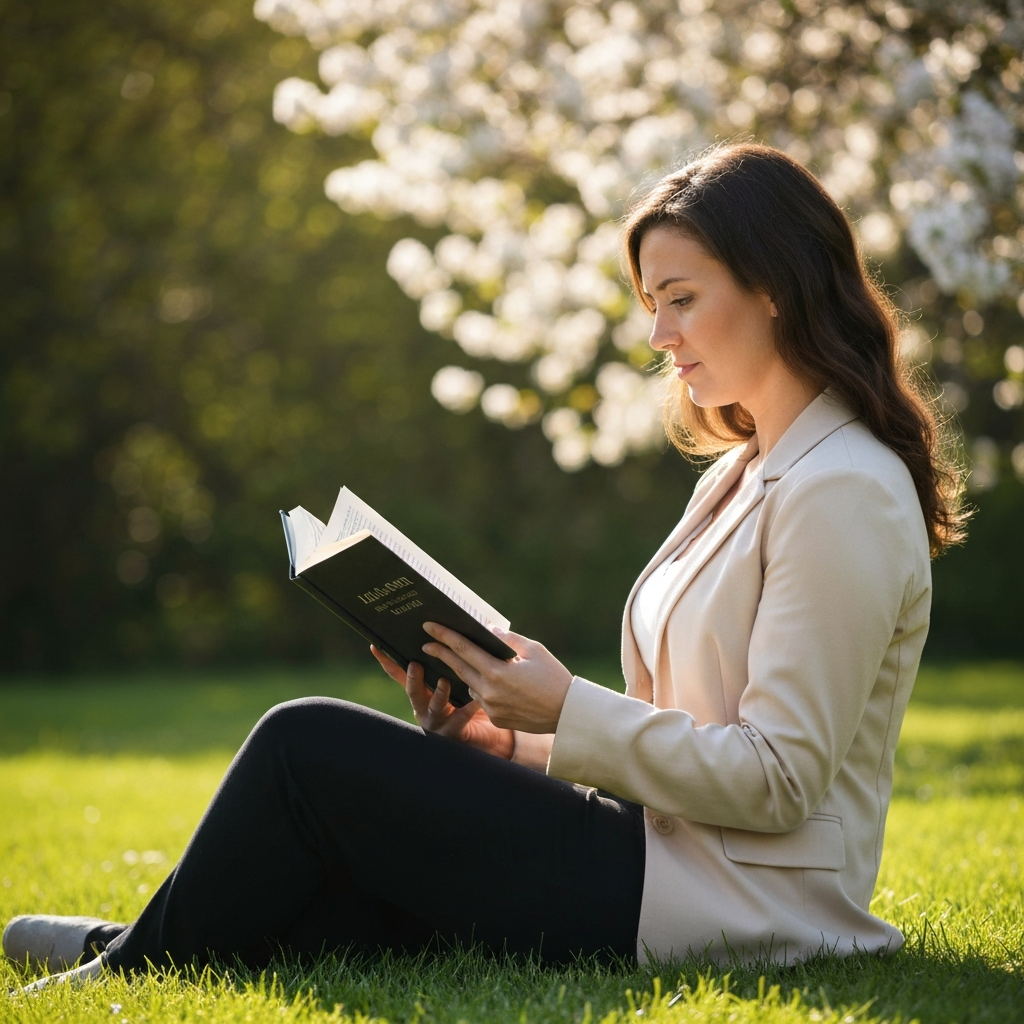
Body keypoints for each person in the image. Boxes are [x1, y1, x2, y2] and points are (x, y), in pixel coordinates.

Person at [4, 143, 965, 989]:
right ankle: (124, 945)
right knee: (344, 895)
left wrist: (565, 708)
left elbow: (779, 778)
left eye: (682, 300)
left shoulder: (843, 489)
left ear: (775, 287)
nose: (660, 338)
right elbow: (687, 729)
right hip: (654, 851)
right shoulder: (742, 469)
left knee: (306, 745)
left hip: (738, 903)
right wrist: (507, 744)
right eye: (651, 306)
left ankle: (117, 969)